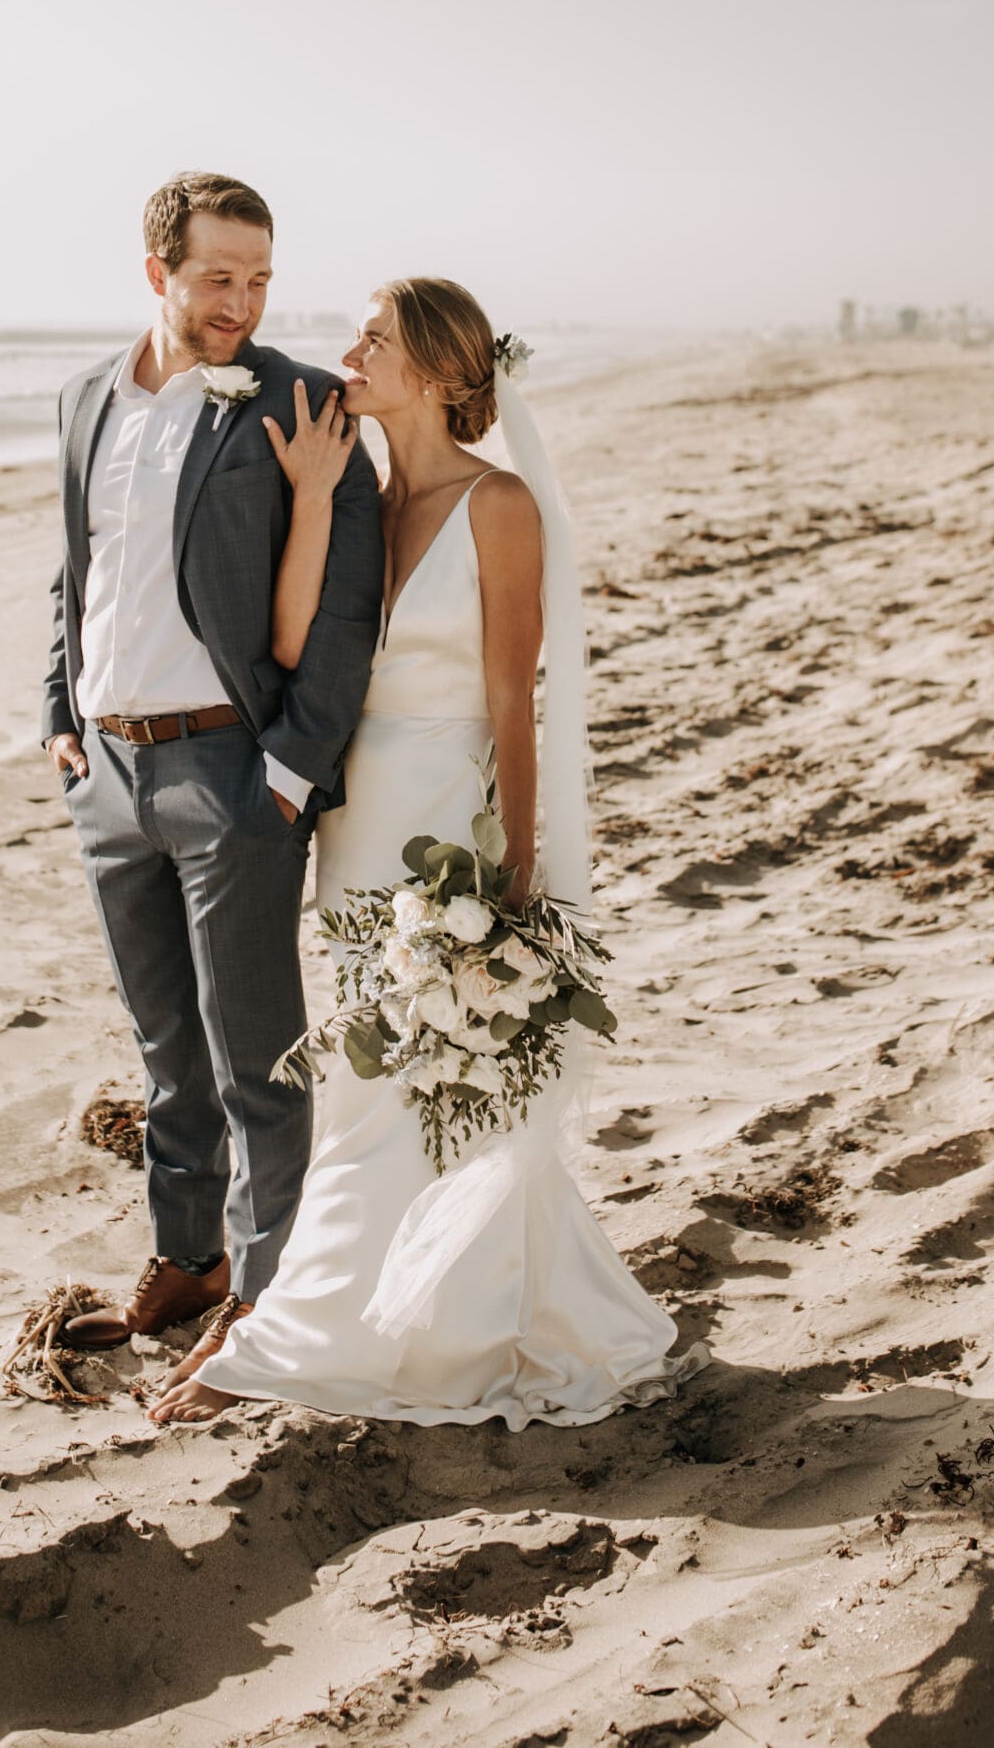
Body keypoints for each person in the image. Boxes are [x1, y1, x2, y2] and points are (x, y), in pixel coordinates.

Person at [149, 277, 703, 1428]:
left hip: (449, 815)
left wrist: (518, 868)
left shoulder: (500, 505)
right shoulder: (365, 494)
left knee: (429, 1068)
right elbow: (304, 650)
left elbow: (516, 696)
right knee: (367, 1074)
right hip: (355, 822)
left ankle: (332, 1330)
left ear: (443, 377)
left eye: (377, 340)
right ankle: (396, 1306)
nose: (349, 349)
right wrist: (307, 495)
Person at [42, 173, 383, 1361]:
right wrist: (58, 714)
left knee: (257, 1059)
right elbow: (75, 573)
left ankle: (268, 1303)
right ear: (159, 274)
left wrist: (289, 773)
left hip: (232, 774)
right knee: (165, 1054)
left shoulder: (298, 400)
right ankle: (188, 1262)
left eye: (260, 278)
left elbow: (347, 606)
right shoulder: (87, 399)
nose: (242, 301)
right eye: (218, 278)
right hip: (109, 779)